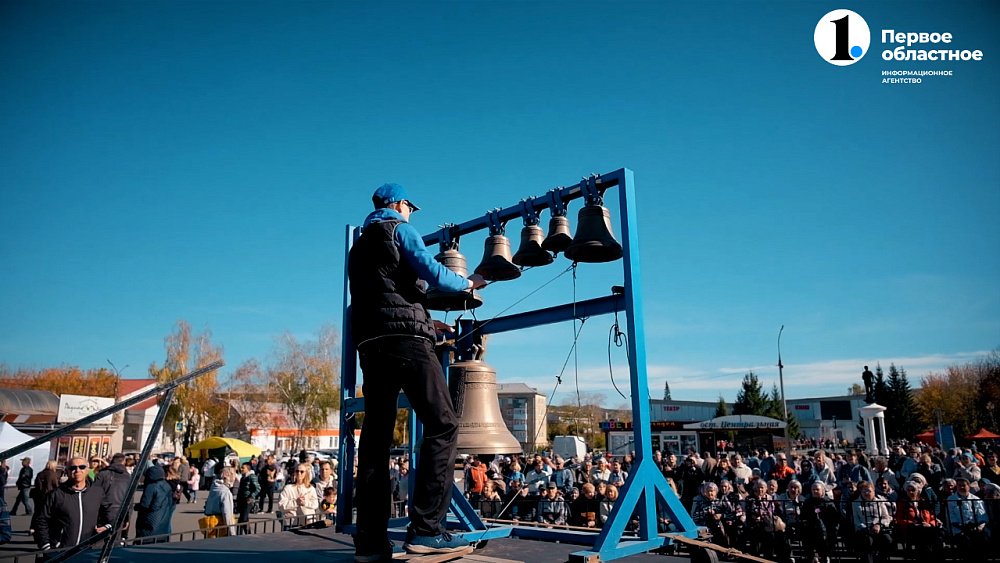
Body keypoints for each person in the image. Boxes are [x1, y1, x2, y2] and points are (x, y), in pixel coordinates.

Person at [348, 183, 485, 561]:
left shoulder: (358, 247)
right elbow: (433, 273)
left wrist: (428, 324)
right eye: (410, 207)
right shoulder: (399, 229)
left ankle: (370, 542)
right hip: (406, 341)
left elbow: (385, 292)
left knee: (375, 440)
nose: (411, 213)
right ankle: (426, 531)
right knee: (443, 424)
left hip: (371, 344)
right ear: (397, 204)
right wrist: (469, 283)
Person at [34, 456, 112, 552]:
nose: (77, 470)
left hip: (89, 550)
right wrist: (46, 546)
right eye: (72, 468)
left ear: (87, 470)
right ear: (67, 471)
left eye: (82, 467)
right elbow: (41, 520)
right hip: (60, 551)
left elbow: (109, 512)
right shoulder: (56, 494)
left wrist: (107, 526)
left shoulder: (97, 492)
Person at [94, 453, 131, 545]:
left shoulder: (102, 474)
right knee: (114, 540)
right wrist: (127, 517)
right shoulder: (128, 477)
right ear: (123, 462)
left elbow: (93, 494)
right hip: (120, 511)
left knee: (97, 539)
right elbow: (130, 499)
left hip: (102, 510)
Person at [134, 464, 173, 543]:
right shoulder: (166, 485)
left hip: (149, 522)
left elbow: (145, 504)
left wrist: (137, 506)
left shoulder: (151, 486)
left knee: (144, 543)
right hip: (163, 523)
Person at [203, 464, 236, 537]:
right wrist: (232, 533)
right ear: (228, 476)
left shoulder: (214, 486)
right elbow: (227, 514)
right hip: (220, 526)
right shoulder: (225, 492)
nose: (234, 478)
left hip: (210, 523)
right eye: (233, 476)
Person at [29, 461, 60, 534]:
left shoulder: (40, 473)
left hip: (38, 495)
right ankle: (44, 529)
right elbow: (56, 485)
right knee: (47, 513)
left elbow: (36, 484)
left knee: (37, 512)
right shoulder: (52, 474)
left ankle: (32, 528)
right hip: (48, 495)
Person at [236, 461, 260, 534]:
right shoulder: (243, 477)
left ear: (248, 469)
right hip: (241, 500)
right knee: (242, 519)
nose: (241, 469)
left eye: (243, 468)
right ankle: (244, 534)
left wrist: (251, 497)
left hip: (248, 500)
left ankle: (245, 535)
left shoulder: (252, 477)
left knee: (243, 518)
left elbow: (258, 488)